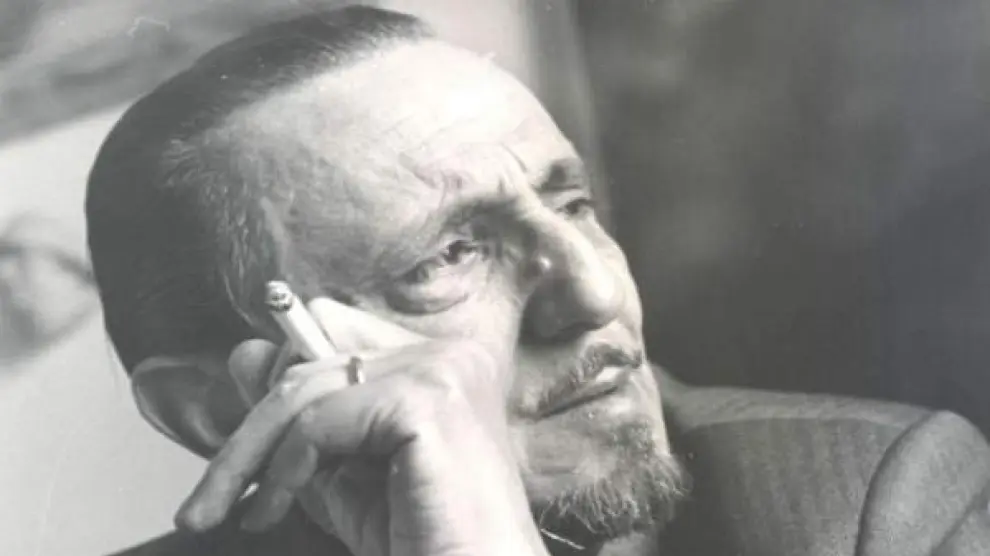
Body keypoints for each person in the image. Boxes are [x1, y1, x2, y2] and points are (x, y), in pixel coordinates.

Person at [87, 6, 990, 556]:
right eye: (445, 257)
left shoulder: (875, 501)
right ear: (217, 410)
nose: (595, 295)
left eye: (574, 204)